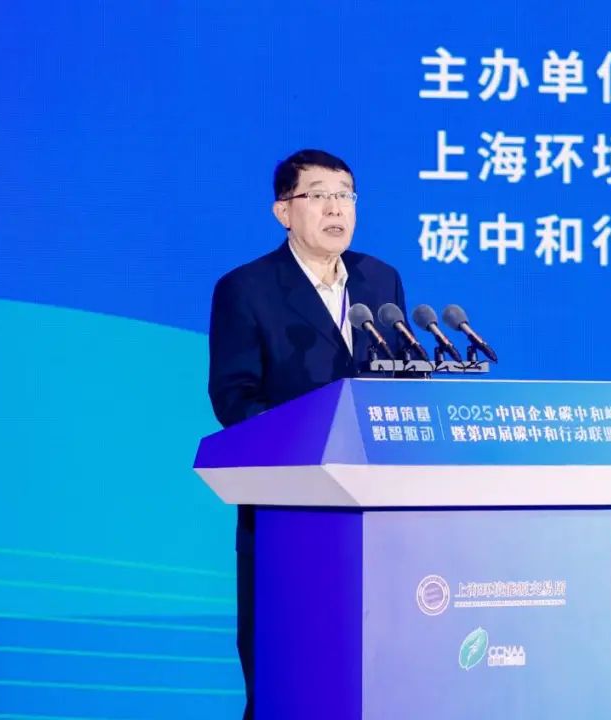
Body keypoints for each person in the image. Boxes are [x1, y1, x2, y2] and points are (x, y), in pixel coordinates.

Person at [207, 149, 408, 719]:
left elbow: (400, 383)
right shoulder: (247, 288)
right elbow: (234, 398)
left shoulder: (380, 279)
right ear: (283, 211)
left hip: (381, 515)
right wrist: (316, 442)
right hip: (289, 514)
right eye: (318, 195)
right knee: (288, 680)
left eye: (345, 195)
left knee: (378, 679)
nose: (335, 208)